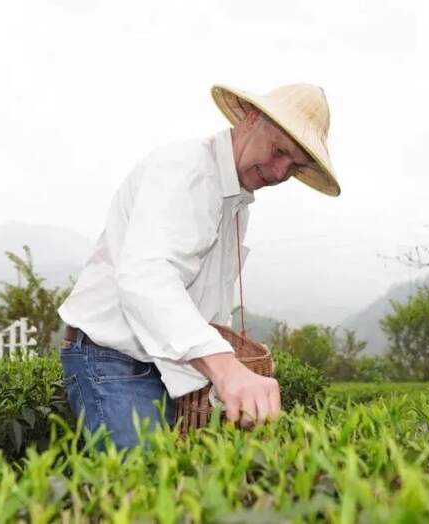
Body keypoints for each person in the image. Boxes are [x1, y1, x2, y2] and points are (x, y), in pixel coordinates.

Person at [57, 83, 341, 451]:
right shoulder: (186, 170)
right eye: (278, 151)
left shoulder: (235, 202)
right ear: (251, 119)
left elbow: (204, 300)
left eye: (295, 166)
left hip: (162, 363)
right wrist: (227, 369)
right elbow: (147, 277)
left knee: (180, 484)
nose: (278, 171)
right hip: (114, 360)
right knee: (144, 490)